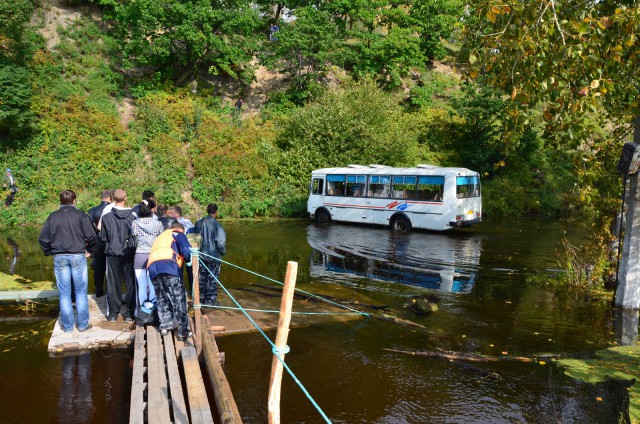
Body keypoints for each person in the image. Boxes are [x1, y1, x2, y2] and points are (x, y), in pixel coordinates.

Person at [38, 190, 98, 332]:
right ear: (74, 200)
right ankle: (82, 325)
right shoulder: (80, 214)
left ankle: (67, 326)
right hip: (78, 255)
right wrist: (91, 251)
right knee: (80, 292)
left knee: (64, 293)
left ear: (60, 201)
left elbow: (42, 239)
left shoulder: (52, 216)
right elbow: (92, 236)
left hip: (60, 256)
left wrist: (50, 252)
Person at [147, 222, 192, 340]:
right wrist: (190, 260)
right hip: (169, 267)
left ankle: (164, 326)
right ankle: (184, 331)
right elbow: (187, 250)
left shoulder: (161, 236)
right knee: (179, 299)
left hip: (153, 269)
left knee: (162, 297)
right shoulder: (178, 234)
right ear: (180, 229)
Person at [100, 189, 137, 323]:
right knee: (130, 283)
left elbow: (103, 237)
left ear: (113, 199)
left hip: (112, 253)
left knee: (113, 284)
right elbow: (135, 236)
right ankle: (129, 314)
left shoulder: (106, 216)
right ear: (125, 198)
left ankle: (113, 314)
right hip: (128, 253)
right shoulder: (133, 215)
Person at [131, 199, 164, 314]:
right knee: (153, 285)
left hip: (140, 255)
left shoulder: (135, 223)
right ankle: (154, 311)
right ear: (151, 210)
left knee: (141, 286)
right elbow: (161, 239)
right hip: (154, 257)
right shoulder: (158, 224)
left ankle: (141, 311)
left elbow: (134, 237)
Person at [193, 203, 226, 305]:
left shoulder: (198, 223)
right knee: (212, 278)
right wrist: (223, 252)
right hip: (214, 256)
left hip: (201, 255)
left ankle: (202, 299)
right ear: (216, 212)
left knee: (202, 277)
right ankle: (210, 300)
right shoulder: (217, 225)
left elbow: (194, 239)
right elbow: (220, 242)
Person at [87, 190, 112, 297]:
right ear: (110, 198)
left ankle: (98, 291)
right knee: (111, 268)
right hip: (110, 242)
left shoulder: (92, 211)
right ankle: (110, 292)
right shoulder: (112, 210)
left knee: (98, 268)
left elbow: (88, 230)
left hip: (96, 242)